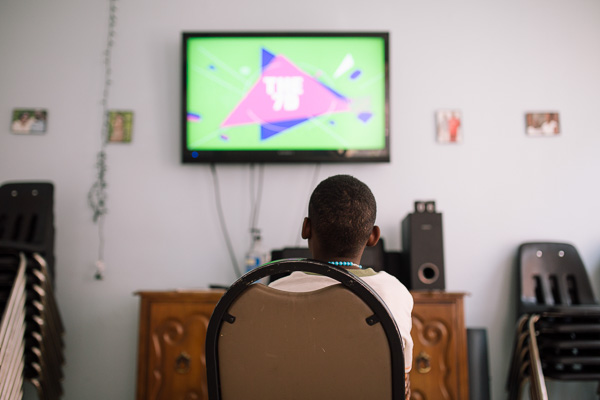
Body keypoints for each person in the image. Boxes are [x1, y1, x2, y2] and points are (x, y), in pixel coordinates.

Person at [269, 174, 414, 398]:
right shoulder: (393, 293)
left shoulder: (273, 293)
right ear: (373, 237)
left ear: (306, 228)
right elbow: (400, 383)